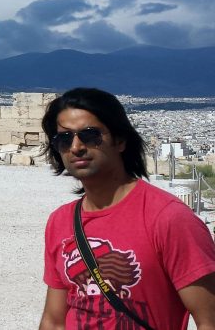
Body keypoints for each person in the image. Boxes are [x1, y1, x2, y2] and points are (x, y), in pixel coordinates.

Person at [38, 87, 215, 330]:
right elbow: (54, 320)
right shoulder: (60, 221)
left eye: (90, 136)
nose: (76, 147)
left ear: (120, 140)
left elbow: (209, 321)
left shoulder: (169, 218)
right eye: (64, 139)